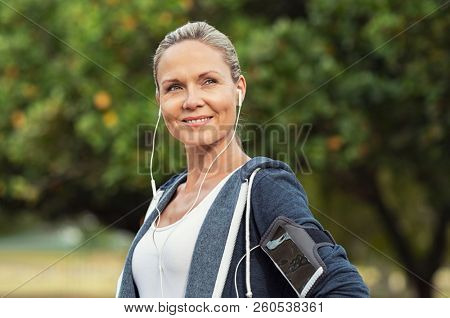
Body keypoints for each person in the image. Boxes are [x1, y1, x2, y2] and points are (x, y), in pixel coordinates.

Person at [116, 21, 369, 298]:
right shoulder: (162, 199)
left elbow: (342, 293)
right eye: (174, 87)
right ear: (159, 100)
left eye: (208, 81)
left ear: (239, 89)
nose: (191, 100)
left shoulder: (261, 190)